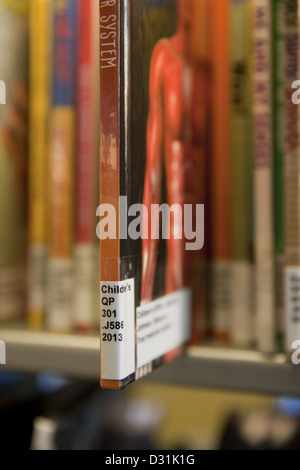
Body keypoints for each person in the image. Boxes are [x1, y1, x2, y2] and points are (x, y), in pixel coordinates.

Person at [141, 0, 208, 341]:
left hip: (208, 231)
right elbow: (152, 177)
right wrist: (143, 295)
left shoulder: (209, 69)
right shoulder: (164, 57)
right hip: (176, 221)